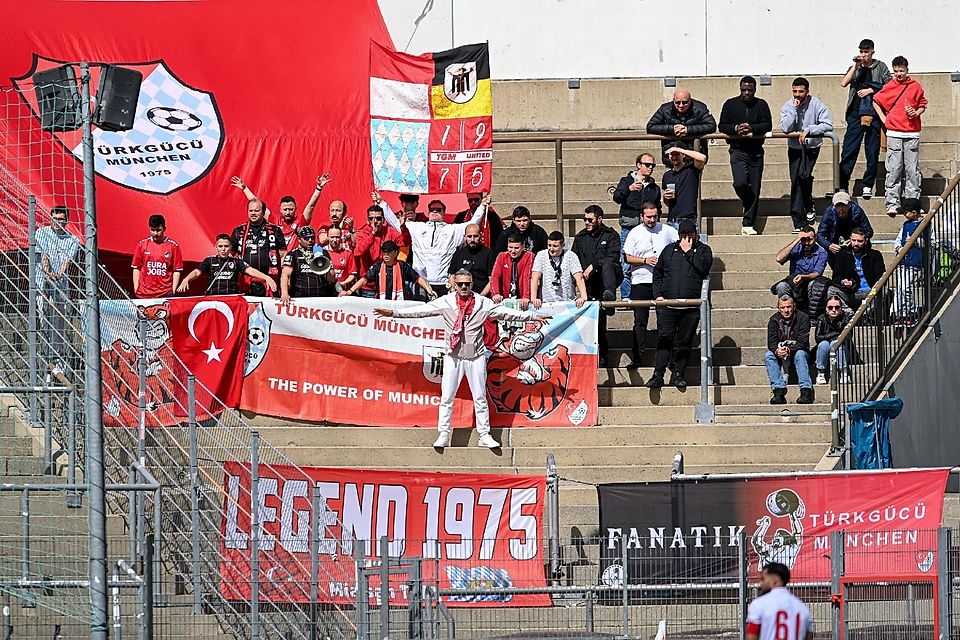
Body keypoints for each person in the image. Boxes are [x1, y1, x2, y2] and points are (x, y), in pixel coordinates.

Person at [374, 269, 550, 449]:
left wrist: (531, 316)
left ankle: (484, 434)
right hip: (453, 355)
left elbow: (506, 313)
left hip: (476, 356)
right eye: (460, 284)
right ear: (454, 284)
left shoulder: (483, 303)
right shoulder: (446, 302)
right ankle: (443, 433)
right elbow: (421, 310)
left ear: (472, 284)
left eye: (467, 283)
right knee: (447, 396)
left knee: (480, 397)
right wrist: (394, 313)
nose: (464, 287)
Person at [376, 191, 490, 297]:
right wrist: (381, 203)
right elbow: (395, 222)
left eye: (438, 209)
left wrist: (482, 206)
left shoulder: (453, 230)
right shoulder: (417, 227)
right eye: (432, 209)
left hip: (444, 284)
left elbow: (473, 224)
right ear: (428, 212)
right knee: (420, 315)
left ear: (444, 212)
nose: (435, 212)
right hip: (422, 282)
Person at [648, 219, 712, 389]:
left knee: (685, 341)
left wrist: (689, 252)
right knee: (664, 338)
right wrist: (658, 295)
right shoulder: (669, 250)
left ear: (696, 235)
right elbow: (658, 273)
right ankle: (658, 375)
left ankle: (679, 374)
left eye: (689, 235)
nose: (686, 238)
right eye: (683, 235)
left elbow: (703, 269)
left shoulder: (703, 250)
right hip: (667, 306)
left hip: (690, 307)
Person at [622, 202, 678, 369]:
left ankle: (668, 359)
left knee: (665, 322)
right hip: (640, 281)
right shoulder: (635, 232)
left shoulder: (667, 230)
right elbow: (627, 257)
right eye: (648, 217)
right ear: (641, 217)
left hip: (662, 282)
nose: (652, 220)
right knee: (640, 321)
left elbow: (680, 245)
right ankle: (638, 357)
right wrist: (645, 261)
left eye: (654, 216)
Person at [718, 76, 773, 235]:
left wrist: (752, 128)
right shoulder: (730, 104)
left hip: (756, 152)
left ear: (755, 90)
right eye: (744, 90)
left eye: (750, 90)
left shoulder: (761, 105)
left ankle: (748, 223)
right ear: (740, 89)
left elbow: (767, 124)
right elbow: (722, 125)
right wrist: (736, 128)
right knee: (740, 182)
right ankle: (747, 201)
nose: (746, 93)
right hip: (738, 150)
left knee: (755, 188)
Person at [873, 56, 927, 216]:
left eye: (901, 71)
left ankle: (913, 204)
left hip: (911, 132)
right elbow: (876, 101)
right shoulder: (890, 86)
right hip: (894, 132)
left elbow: (923, 104)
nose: (898, 74)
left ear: (907, 70)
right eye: (895, 71)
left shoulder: (915, 86)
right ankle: (892, 203)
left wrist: (916, 112)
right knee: (894, 168)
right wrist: (884, 118)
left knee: (912, 170)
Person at [839, 38, 892, 198]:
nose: (863, 55)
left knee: (872, 151)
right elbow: (844, 82)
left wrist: (872, 90)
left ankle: (868, 184)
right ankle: (843, 185)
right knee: (849, 150)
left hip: (874, 114)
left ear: (872, 52)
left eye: (866, 52)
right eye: (861, 51)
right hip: (855, 115)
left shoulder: (880, 66)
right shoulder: (856, 67)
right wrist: (856, 66)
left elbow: (890, 87)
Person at [779, 77, 834, 229]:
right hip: (795, 148)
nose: (797, 95)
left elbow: (828, 125)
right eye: (795, 91)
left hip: (811, 147)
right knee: (797, 181)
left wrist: (809, 130)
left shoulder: (817, 104)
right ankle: (798, 221)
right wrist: (794, 110)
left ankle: (808, 204)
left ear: (807, 92)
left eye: (801, 91)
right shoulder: (788, 106)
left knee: (805, 177)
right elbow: (785, 127)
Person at [572, 205, 623, 367]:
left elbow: (613, 256)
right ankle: (596, 356)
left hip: (607, 279)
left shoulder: (611, 235)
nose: (586, 222)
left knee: (607, 263)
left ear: (599, 219)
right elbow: (574, 259)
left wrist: (593, 265)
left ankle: (610, 297)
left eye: (590, 219)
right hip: (589, 284)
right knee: (594, 323)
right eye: (584, 219)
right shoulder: (580, 238)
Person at [35, 205, 81, 372]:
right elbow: (43, 255)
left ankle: (59, 356)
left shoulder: (73, 239)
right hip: (42, 284)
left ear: (66, 221)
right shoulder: (42, 232)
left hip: (61, 286)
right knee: (44, 318)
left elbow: (67, 262)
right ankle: (46, 355)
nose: (57, 222)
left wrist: (58, 274)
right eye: (55, 219)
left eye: (61, 219)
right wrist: (47, 273)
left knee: (60, 322)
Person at [230, 173, 332, 248]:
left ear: (295, 209)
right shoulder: (274, 220)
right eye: (285, 209)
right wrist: (244, 188)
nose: (288, 212)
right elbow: (256, 203)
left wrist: (318, 188)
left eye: (291, 209)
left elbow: (311, 205)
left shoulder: (301, 220)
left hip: (295, 262)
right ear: (280, 210)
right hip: (278, 262)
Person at [612, 152, 661, 298]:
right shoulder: (626, 181)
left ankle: (649, 295)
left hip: (648, 229)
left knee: (649, 262)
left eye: (653, 165)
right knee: (626, 265)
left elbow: (657, 206)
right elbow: (617, 197)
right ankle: (626, 297)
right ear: (638, 165)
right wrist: (629, 189)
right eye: (647, 165)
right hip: (630, 227)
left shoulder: (654, 187)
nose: (650, 168)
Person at [178, 234, 277, 296]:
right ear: (216, 247)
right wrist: (186, 279)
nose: (223, 249)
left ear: (230, 247)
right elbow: (197, 272)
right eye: (220, 246)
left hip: (231, 298)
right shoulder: (209, 260)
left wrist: (266, 277)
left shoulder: (236, 261)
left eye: (226, 246)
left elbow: (250, 270)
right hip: (213, 297)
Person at [341, 240, 434, 300]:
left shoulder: (402, 266)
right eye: (383, 252)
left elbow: (417, 278)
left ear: (395, 253)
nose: (385, 254)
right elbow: (364, 279)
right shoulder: (378, 266)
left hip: (399, 302)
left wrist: (429, 290)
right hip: (381, 302)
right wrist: (350, 291)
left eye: (388, 252)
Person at [229, 198, 286, 296]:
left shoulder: (275, 230)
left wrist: (283, 280)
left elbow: (283, 255)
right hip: (245, 282)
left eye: (256, 210)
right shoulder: (238, 230)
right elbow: (230, 254)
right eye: (250, 211)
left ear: (263, 212)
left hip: (270, 281)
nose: (253, 213)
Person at [645, 88, 717, 164]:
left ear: (690, 100)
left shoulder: (700, 108)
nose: (681, 105)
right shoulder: (665, 109)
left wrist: (688, 130)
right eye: (677, 102)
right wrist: (672, 129)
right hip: (672, 156)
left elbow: (711, 126)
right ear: (673, 100)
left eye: (685, 102)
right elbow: (650, 127)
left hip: (693, 156)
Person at [765, 294, 813, 405]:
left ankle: (806, 390)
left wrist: (788, 350)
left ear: (794, 306)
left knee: (800, 354)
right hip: (781, 352)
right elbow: (771, 343)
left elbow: (803, 342)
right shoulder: (774, 320)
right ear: (778, 309)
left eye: (788, 307)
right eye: (783, 307)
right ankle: (779, 391)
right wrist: (777, 351)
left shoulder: (803, 318)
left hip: (799, 352)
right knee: (769, 355)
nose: (786, 310)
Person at [745, 562, 813, 640]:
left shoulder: (759, 604)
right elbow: (809, 635)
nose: (760, 583)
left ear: (774, 581)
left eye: (763, 579)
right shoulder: (802, 607)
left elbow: (752, 636)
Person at [771, 227, 829, 316]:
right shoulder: (796, 248)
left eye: (809, 240)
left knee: (813, 285)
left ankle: (812, 315)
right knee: (781, 286)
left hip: (811, 285)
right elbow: (779, 258)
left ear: (815, 238)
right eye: (803, 240)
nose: (806, 243)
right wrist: (796, 240)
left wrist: (804, 277)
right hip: (795, 285)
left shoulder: (822, 252)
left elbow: (817, 273)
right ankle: (787, 314)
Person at [828, 227, 885, 312]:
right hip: (850, 292)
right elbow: (836, 276)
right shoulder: (842, 255)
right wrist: (843, 281)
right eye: (853, 240)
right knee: (831, 290)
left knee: (884, 290)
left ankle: (865, 315)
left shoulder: (875, 255)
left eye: (860, 241)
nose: (856, 243)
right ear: (850, 239)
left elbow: (880, 276)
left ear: (866, 241)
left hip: (870, 292)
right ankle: (850, 314)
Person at [353, 204, 404, 297]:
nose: (375, 221)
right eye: (371, 218)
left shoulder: (390, 231)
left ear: (383, 220)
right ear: (367, 221)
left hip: (387, 284)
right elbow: (359, 251)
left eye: (378, 218)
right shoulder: (362, 234)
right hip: (368, 285)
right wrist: (373, 234)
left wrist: (403, 228)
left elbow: (404, 242)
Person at [279, 226, 339, 304]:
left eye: (312, 238)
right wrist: (284, 293)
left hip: (321, 298)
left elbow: (331, 279)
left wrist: (324, 265)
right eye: (306, 238)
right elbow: (285, 275)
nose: (310, 241)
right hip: (300, 299)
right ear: (299, 240)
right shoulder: (293, 254)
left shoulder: (323, 252)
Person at [530, 231, 588, 308]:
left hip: (567, 302)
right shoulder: (541, 255)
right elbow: (535, 277)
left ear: (563, 245)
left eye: (555, 246)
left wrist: (583, 297)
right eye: (549, 245)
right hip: (546, 303)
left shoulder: (571, 256)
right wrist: (534, 298)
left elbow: (579, 278)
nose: (551, 248)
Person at [131, 214, 183, 298]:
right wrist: (136, 288)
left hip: (165, 293)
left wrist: (173, 289)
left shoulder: (173, 246)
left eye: (158, 230)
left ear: (164, 229)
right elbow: (136, 267)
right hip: (144, 293)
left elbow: (177, 269)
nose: (155, 233)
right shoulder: (142, 245)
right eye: (152, 230)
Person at [816, 191, 874, 267]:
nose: (841, 208)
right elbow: (820, 235)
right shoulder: (829, 213)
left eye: (843, 205)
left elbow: (869, 231)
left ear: (849, 204)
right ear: (834, 206)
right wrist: (829, 245)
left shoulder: (857, 212)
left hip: (855, 243)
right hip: (835, 244)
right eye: (838, 205)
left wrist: (854, 239)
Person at [891, 198, 925, 326]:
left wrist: (916, 241)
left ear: (915, 212)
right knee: (900, 288)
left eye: (906, 212)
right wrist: (899, 248)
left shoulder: (925, 224)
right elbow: (899, 240)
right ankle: (903, 314)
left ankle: (912, 311)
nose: (905, 214)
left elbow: (930, 243)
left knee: (906, 288)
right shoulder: (906, 225)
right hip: (904, 262)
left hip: (915, 262)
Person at [661, 143, 707, 230]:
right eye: (672, 154)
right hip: (671, 220)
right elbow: (666, 203)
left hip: (688, 219)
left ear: (683, 155)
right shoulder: (667, 175)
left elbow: (702, 158)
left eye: (677, 154)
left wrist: (679, 149)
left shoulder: (692, 169)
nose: (674, 157)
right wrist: (666, 197)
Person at [447, 223, 495, 295]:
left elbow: (492, 280)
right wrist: (455, 292)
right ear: (465, 237)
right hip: (460, 295)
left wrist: (481, 297)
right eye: (469, 236)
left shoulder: (489, 254)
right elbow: (452, 276)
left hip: (481, 295)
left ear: (481, 235)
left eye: (475, 236)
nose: (472, 239)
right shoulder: (458, 253)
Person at [814, 295, 851, 385]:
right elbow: (818, 337)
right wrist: (835, 334)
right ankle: (821, 373)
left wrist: (831, 338)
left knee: (835, 343)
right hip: (825, 347)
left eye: (837, 307)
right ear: (826, 309)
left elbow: (847, 337)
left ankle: (844, 372)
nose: (834, 310)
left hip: (842, 349)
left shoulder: (845, 318)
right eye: (830, 307)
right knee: (824, 344)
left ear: (841, 309)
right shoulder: (821, 318)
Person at [490, 234, 534, 309]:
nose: (513, 251)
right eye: (510, 247)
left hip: (521, 297)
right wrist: (495, 293)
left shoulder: (529, 256)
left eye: (516, 248)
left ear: (523, 247)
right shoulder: (502, 256)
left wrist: (526, 296)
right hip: (505, 297)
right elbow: (495, 276)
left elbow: (527, 277)